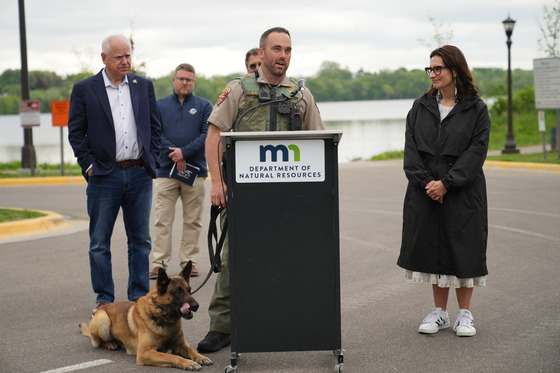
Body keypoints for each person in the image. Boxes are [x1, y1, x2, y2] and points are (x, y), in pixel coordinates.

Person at [197, 27, 325, 353]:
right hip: (243, 196)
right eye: (277, 49)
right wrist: (217, 182)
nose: (283, 56)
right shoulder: (239, 89)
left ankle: (282, 321)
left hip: (289, 199)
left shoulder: (300, 94)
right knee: (233, 260)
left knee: (288, 259)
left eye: (288, 50)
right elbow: (214, 136)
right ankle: (222, 327)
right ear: (262, 52)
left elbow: (320, 142)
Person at [397, 45, 490, 337]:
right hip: (426, 190)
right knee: (433, 248)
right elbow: (411, 151)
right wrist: (429, 183)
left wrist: (448, 183)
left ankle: (465, 314)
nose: (433, 74)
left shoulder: (476, 108)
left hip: (463, 191)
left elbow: (476, 151)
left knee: (463, 247)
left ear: (454, 70)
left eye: (438, 68)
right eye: (430, 69)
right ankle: (439, 313)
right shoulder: (420, 106)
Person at [68, 35, 161, 316]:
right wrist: (89, 165)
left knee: (141, 240)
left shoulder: (143, 86)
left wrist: (152, 159)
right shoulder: (85, 89)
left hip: (139, 173)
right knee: (99, 242)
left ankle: (137, 296)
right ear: (104, 58)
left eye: (128, 55)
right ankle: (105, 299)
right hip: (103, 176)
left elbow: (155, 127)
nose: (126, 61)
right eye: (119, 57)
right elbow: (76, 132)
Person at [149, 63, 212, 280]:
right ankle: (159, 264)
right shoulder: (159, 105)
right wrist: (173, 154)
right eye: (181, 78)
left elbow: (207, 135)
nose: (185, 82)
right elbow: (155, 133)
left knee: (193, 220)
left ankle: (189, 263)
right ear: (173, 80)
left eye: (189, 79)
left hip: (195, 171)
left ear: (194, 82)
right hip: (165, 171)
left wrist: (184, 152)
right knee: (162, 219)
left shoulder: (204, 106)